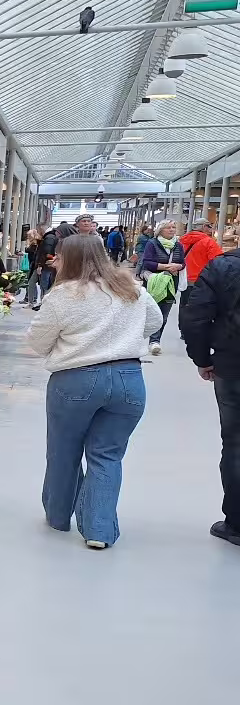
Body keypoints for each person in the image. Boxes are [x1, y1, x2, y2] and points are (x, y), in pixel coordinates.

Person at [27, 234, 161, 550]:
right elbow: (153, 321)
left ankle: (59, 518)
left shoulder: (62, 296)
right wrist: (122, 338)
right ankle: (99, 529)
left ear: (68, 259)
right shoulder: (132, 289)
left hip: (75, 380)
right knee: (108, 454)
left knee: (64, 452)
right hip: (129, 378)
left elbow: (37, 342)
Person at [180, 243, 240, 546]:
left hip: (233, 364)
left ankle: (237, 523)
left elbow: (196, 317)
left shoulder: (223, 267)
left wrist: (202, 358)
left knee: (236, 443)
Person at [135, 220, 186, 355]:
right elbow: (147, 262)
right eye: (168, 227)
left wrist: (178, 266)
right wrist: (166, 267)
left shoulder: (178, 245)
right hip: (155, 281)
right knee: (151, 310)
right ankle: (144, 339)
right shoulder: (152, 244)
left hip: (170, 283)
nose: (171, 230)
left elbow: (183, 262)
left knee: (164, 313)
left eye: (173, 227)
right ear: (160, 230)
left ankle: (155, 341)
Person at [178, 220, 223, 298]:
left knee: (184, 305)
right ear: (204, 227)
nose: (210, 229)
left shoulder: (183, 240)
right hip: (201, 280)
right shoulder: (209, 242)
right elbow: (218, 262)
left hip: (184, 279)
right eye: (209, 226)